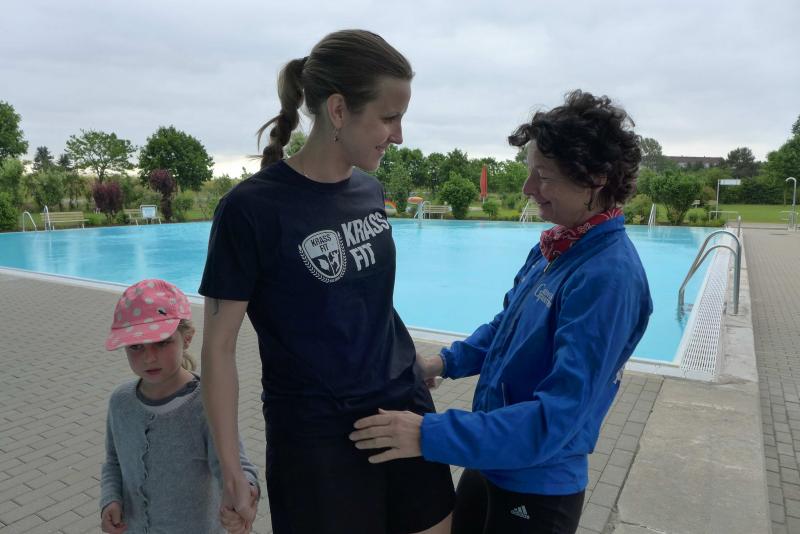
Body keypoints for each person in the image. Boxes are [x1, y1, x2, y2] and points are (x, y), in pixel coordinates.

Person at [350, 90, 653, 534]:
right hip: (492, 462)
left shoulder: (607, 278)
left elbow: (556, 418)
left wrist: (427, 434)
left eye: (542, 176)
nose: (528, 189)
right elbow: (506, 328)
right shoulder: (557, 247)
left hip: (539, 487)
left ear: (596, 179)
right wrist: (442, 362)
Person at [199, 29, 455, 534]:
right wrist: (231, 469)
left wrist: (405, 364)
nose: (399, 135)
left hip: (403, 416)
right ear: (338, 110)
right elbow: (218, 348)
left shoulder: (369, 190)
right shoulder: (250, 209)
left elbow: (367, 298)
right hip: (317, 441)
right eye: (389, 117)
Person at [100, 279, 260, 534]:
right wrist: (111, 499)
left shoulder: (206, 404)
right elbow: (113, 462)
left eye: (162, 342)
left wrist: (245, 496)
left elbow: (235, 467)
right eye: (136, 346)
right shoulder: (120, 403)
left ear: (186, 338)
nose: (149, 357)